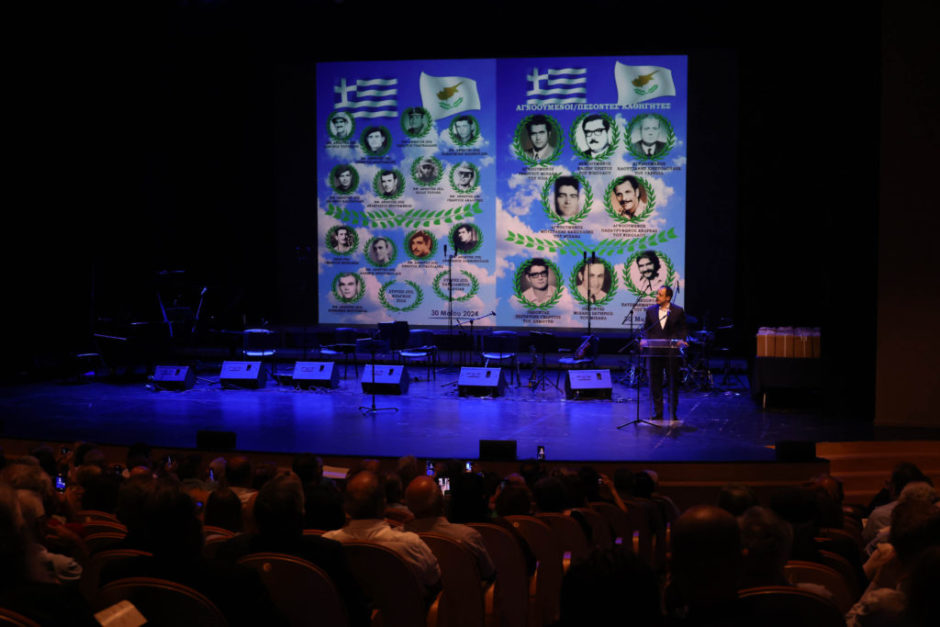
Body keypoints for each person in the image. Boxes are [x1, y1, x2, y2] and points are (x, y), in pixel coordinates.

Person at [323, 471, 442, 597]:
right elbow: (436, 582)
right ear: (383, 504)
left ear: (346, 507)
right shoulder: (411, 544)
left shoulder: (327, 543)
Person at [403, 475, 496, 582]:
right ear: (442, 503)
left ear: (408, 505)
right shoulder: (468, 537)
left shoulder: (396, 538)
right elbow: (489, 574)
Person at [643, 286, 687, 420]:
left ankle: (672, 412)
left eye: (660, 294)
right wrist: (645, 340)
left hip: (671, 353)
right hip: (654, 352)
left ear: (668, 298)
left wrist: (681, 340)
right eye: (657, 294)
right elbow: (647, 329)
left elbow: (682, 329)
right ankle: (658, 412)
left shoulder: (678, 311)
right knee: (655, 383)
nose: (657, 296)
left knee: (673, 382)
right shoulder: (650, 311)